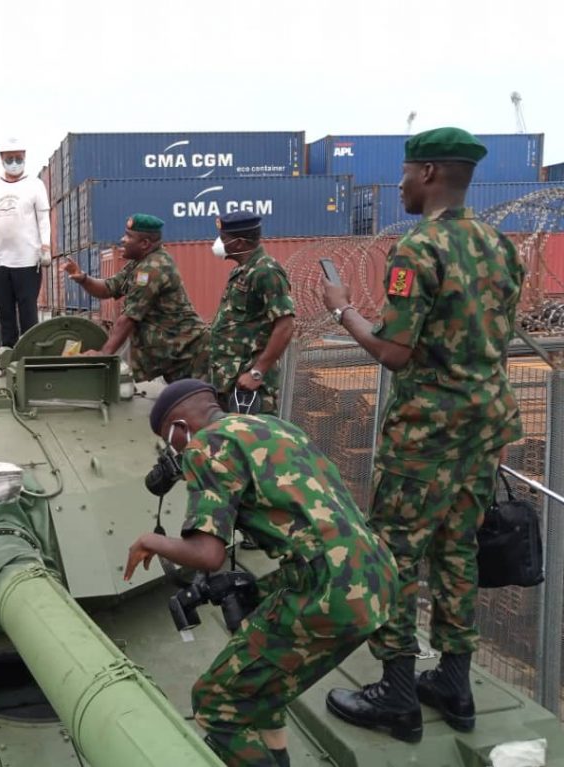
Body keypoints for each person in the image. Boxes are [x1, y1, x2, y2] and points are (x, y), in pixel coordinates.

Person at [322, 128, 524, 741]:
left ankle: (399, 695)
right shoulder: (500, 244)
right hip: (484, 424)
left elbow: (395, 353)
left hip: (428, 434)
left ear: (431, 173)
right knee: (458, 550)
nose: (402, 184)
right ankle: (455, 685)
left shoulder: (419, 249)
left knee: (397, 555)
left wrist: (341, 309)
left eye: (407, 173)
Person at [124, 379, 396, 767]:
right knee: (263, 689)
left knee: (216, 702)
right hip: (376, 572)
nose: (178, 454)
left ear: (178, 428)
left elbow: (208, 553)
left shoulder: (205, 445)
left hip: (328, 590)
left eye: (173, 443)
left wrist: (153, 541)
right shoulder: (276, 426)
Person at [63, 214, 209, 382]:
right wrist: (83, 278)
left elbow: (128, 319)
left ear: (145, 244)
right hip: (174, 354)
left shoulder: (153, 268)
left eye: (128, 236)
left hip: (190, 354)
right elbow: (108, 288)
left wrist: (103, 354)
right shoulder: (139, 262)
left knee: (197, 403)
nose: (122, 239)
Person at [209, 212, 295, 415]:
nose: (219, 243)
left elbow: (285, 325)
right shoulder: (242, 271)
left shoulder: (265, 272)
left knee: (252, 443)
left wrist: (257, 373)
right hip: (230, 380)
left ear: (239, 243)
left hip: (249, 386)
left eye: (224, 238)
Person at [0, 137, 52, 347]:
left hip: (27, 259)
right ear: (2, 158)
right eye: (10, 158)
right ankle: (8, 353)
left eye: (18, 157)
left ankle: (30, 353)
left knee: (28, 310)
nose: (15, 162)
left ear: (24, 157)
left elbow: (44, 218)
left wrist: (46, 246)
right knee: (5, 311)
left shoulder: (35, 185)